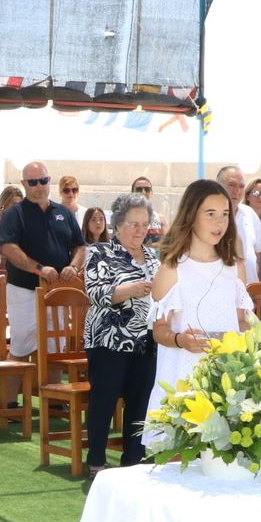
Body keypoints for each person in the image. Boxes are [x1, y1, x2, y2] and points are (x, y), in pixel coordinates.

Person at [145, 180, 253, 442]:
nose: (220, 222)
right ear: (192, 215)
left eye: (225, 214)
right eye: (211, 214)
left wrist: (254, 341)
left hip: (225, 380)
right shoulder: (172, 268)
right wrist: (180, 340)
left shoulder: (235, 267)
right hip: (183, 376)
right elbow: (158, 330)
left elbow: (241, 321)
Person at [84, 193, 159, 472]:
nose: (141, 230)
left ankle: (132, 462)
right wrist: (130, 289)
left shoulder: (154, 256)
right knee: (103, 401)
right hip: (108, 338)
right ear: (117, 224)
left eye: (145, 224)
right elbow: (94, 293)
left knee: (140, 402)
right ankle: (96, 462)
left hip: (146, 340)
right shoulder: (100, 252)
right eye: (134, 224)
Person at [0, 161, 85, 360]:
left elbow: (80, 246)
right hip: (24, 289)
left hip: (57, 291)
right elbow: (8, 248)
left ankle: (52, 392)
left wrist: (73, 266)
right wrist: (39, 269)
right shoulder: (15, 213)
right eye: (33, 182)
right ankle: (12, 393)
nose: (39, 186)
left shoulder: (64, 213)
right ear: (24, 183)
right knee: (21, 349)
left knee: (54, 354)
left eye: (43, 181)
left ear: (49, 181)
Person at [217, 165, 261, 282]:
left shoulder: (249, 213)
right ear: (218, 186)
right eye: (232, 185)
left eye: (242, 186)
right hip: (220, 292)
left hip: (251, 294)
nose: (237, 191)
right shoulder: (208, 216)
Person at [131, 176, 166, 245]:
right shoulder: (123, 218)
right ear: (132, 193)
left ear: (151, 193)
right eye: (139, 189)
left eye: (147, 189)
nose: (143, 192)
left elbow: (168, 244)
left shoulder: (161, 219)